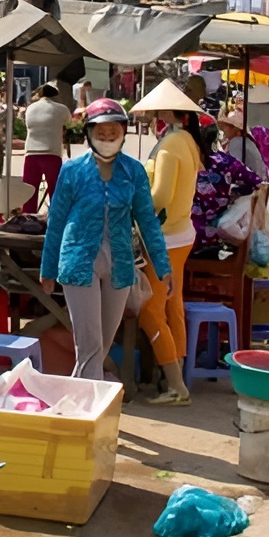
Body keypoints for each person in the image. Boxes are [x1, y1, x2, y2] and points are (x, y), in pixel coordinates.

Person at [39, 99, 172, 382]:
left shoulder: (133, 172)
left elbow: (147, 220)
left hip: (120, 263)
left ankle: (77, 398)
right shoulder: (72, 170)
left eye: (113, 133)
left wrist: (163, 266)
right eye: (101, 133)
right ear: (89, 134)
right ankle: (89, 408)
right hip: (78, 261)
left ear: (123, 133)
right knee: (89, 346)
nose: (108, 138)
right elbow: (56, 223)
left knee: (102, 344)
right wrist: (47, 270)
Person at [129, 80, 209, 406]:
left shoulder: (169, 145)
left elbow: (161, 195)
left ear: (169, 111)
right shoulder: (187, 140)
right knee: (173, 307)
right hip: (182, 234)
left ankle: (176, 386)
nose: (154, 113)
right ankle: (175, 378)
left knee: (150, 310)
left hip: (164, 238)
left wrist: (132, 208)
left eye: (158, 108)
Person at [21, 84, 72, 213]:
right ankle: (56, 215)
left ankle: (28, 216)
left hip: (31, 152)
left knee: (29, 190)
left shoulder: (30, 108)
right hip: (52, 151)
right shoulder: (61, 108)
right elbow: (69, 123)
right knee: (55, 189)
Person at [217, 109, 269, 187]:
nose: (223, 130)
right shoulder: (244, 140)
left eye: (225, 127)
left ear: (234, 128)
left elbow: (234, 168)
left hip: (250, 186)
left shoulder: (236, 142)